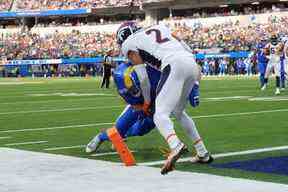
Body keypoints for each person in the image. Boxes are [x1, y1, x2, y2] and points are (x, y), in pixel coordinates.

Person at [116, 21, 212, 175]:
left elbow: (144, 78)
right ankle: (202, 152)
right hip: (190, 63)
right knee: (178, 112)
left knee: (159, 115)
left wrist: (147, 101)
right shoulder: (159, 27)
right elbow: (185, 46)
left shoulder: (129, 44)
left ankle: (176, 146)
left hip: (173, 64)